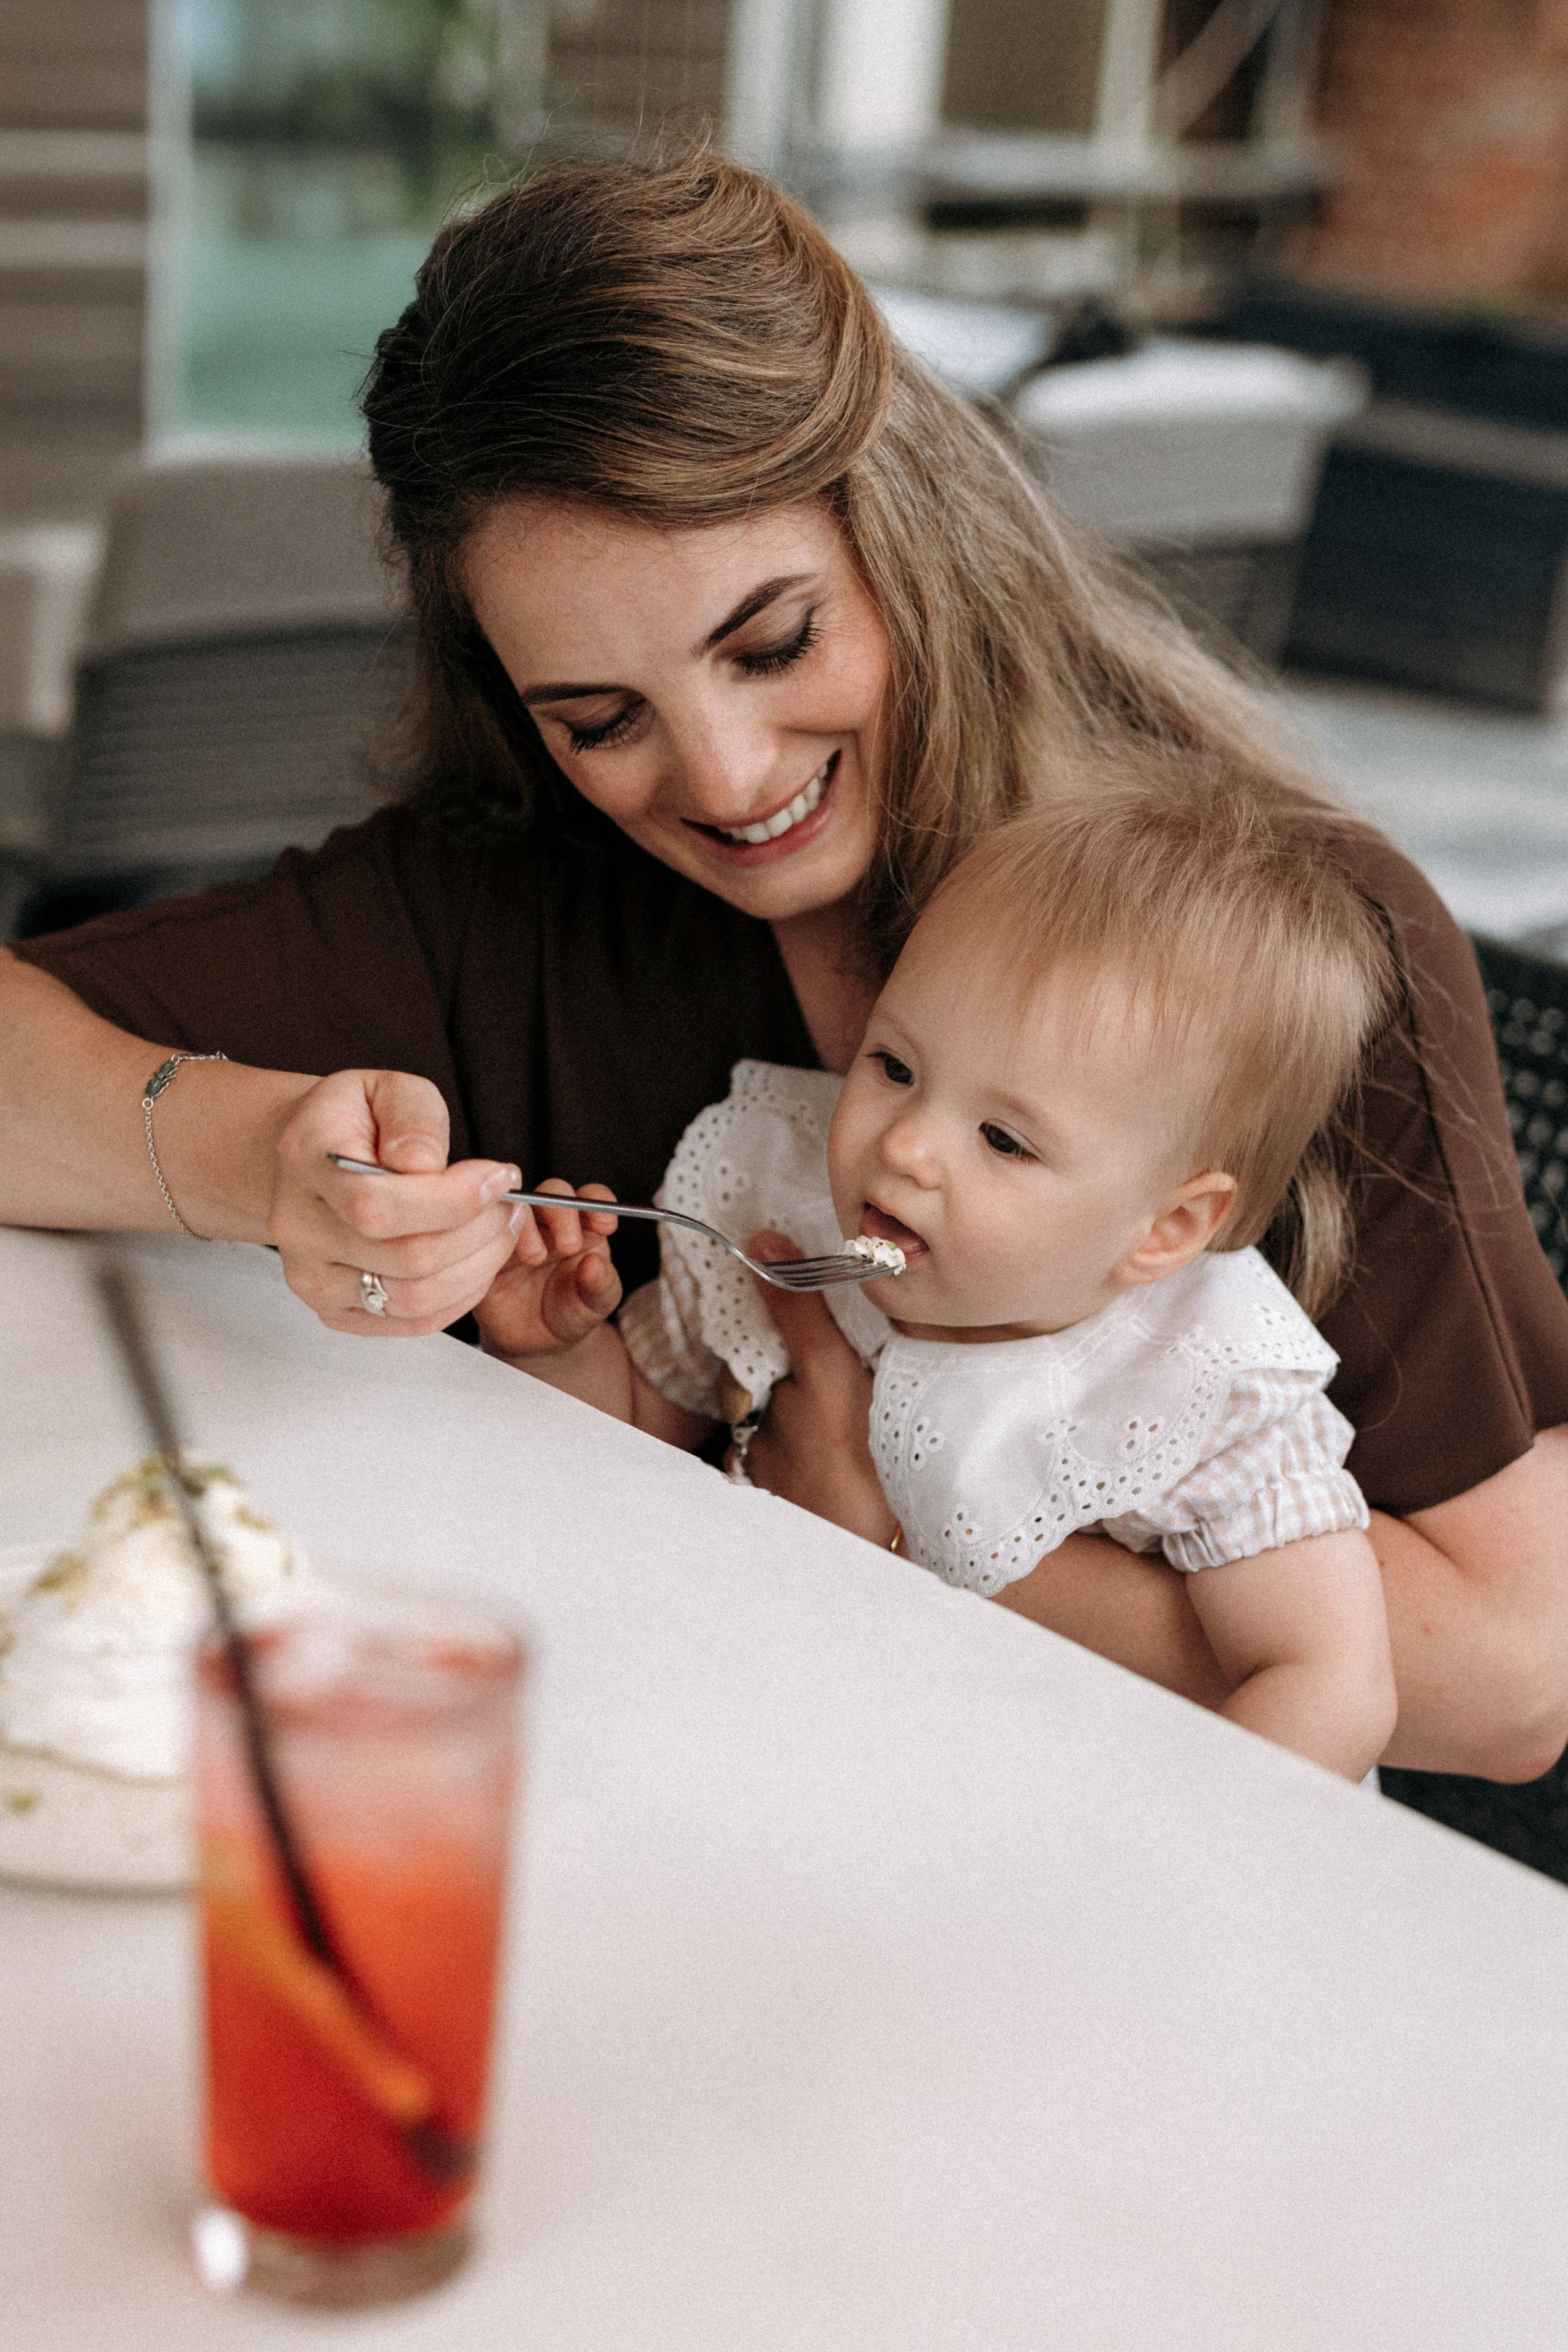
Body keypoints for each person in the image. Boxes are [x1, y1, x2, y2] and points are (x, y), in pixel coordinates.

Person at [1, 149, 1565, 1781]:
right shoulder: (507, 899)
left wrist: (890, 1522)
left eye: (773, 643)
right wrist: (263, 1159)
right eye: (599, 719)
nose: (728, 778)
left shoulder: (1282, 951)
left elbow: (1520, 1674)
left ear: (903, 529)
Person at [466, 761, 1400, 1779]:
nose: (906, 1146)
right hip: (776, 1741)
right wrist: (555, 1352)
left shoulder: (1207, 1387)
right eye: (896, 1066)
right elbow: (638, 1426)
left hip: (1053, 1808)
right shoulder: (784, 1218)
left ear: (1165, 1228)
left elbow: (1329, 1682)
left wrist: (1165, 1849)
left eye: (1003, 1139)